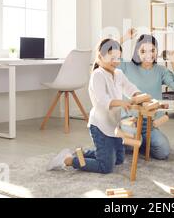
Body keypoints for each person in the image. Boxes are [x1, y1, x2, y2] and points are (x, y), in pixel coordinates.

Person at [47, 39, 142, 173]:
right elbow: (103, 101)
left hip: (114, 125)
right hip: (100, 126)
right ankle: (68, 160)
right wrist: (122, 103)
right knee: (106, 166)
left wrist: (138, 95)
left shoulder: (118, 74)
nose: (116, 61)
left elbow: (129, 87)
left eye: (118, 58)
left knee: (119, 159)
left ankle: (81, 153)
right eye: (112, 57)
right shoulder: (98, 75)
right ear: (100, 56)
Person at [119, 31, 174, 160]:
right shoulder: (127, 66)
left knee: (163, 151)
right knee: (130, 144)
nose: (148, 55)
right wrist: (125, 38)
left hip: (150, 123)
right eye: (143, 51)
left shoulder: (160, 70)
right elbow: (110, 54)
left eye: (152, 50)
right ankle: (132, 139)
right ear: (136, 52)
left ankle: (141, 142)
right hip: (130, 121)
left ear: (156, 52)